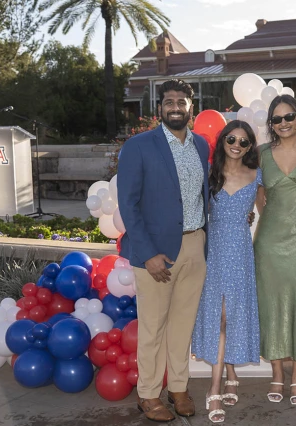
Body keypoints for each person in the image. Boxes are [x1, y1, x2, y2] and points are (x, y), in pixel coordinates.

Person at [117, 79, 209, 422]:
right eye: (168, 101)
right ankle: (149, 394)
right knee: (153, 328)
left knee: (182, 325)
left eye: (181, 101)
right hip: (156, 253)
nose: (175, 106)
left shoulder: (200, 146)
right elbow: (129, 204)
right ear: (159, 109)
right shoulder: (139, 146)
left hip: (195, 244)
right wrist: (148, 253)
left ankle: (179, 388)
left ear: (191, 107)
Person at [191, 120, 262, 423]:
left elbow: (266, 213)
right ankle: (215, 388)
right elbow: (195, 212)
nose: (236, 144)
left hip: (241, 253)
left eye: (244, 142)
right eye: (231, 138)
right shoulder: (209, 175)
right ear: (222, 141)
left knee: (233, 314)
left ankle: (230, 373)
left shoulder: (257, 176)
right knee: (219, 316)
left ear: (250, 147)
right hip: (214, 251)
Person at [253, 94, 296, 405]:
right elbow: (258, 194)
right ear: (271, 123)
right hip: (269, 242)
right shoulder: (261, 154)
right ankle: (277, 374)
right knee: (271, 306)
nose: (283, 124)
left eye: (288, 117)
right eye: (276, 119)